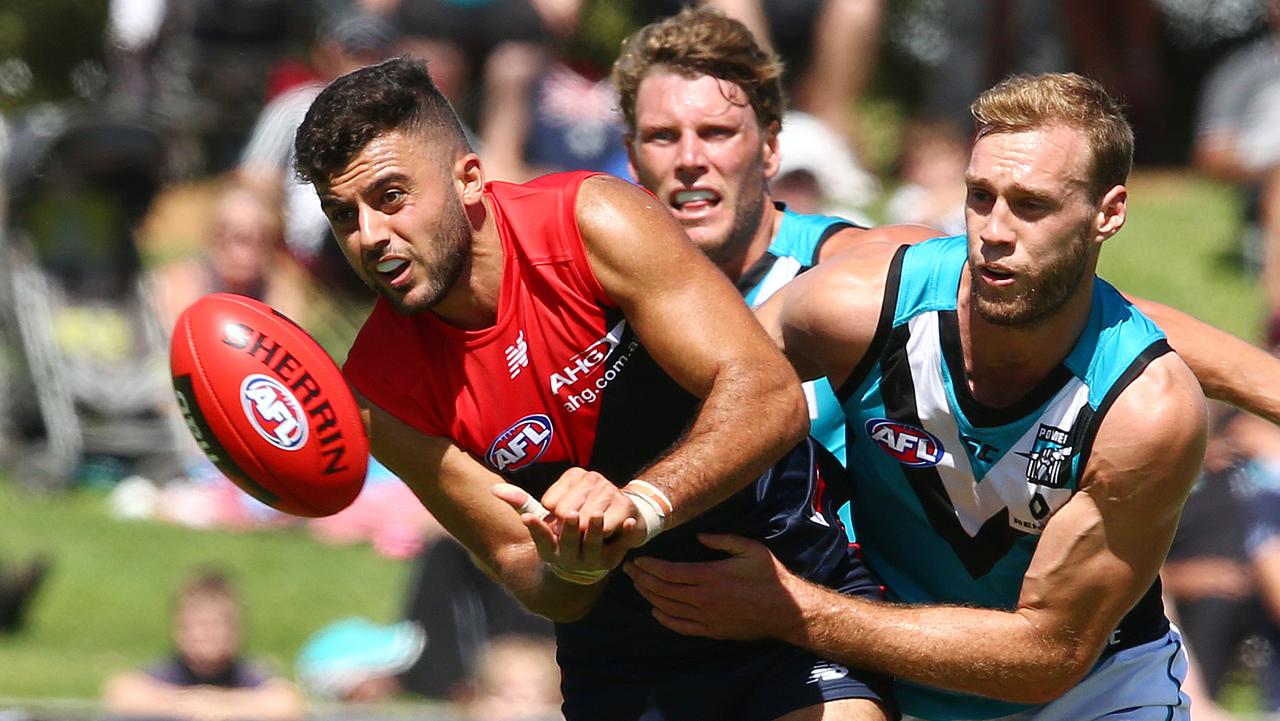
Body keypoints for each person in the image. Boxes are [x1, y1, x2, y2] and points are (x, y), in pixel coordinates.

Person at [293, 56, 894, 720]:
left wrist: (639, 504)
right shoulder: (380, 389)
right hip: (626, 659)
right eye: (343, 214)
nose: (371, 235)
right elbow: (524, 563)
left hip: (786, 593)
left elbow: (767, 393)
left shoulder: (587, 223)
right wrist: (574, 565)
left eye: (391, 197)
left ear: (469, 179)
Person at [625, 73, 1209, 720]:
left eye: (1032, 205)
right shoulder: (857, 308)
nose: (994, 229)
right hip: (889, 681)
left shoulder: (1146, 409)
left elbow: (1048, 653)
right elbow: (691, 393)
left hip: (1092, 694)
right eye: (980, 196)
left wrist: (792, 608)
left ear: (1109, 212)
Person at [101, 570, 306, 721]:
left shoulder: (245, 674)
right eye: (195, 625)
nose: (203, 635)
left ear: (236, 630)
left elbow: (288, 703)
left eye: (214, 626)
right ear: (178, 629)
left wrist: (223, 704)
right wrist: (187, 703)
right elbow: (120, 693)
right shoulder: (169, 670)